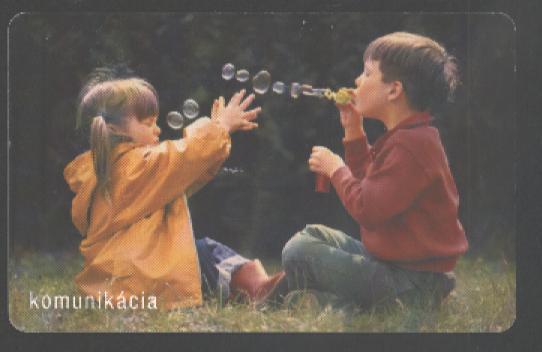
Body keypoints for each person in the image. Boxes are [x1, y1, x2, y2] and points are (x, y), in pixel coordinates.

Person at [64, 71, 284, 310]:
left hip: (117, 283)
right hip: (146, 281)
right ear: (115, 130)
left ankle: (242, 290)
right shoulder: (135, 167)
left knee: (200, 251)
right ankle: (259, 288)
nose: (157, 130)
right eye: (147, 123)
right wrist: (221, 127)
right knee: (207, 251)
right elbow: (187, 155)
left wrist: (215, 142)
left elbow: (185, 177)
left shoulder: (103, 176)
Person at [281, 32, 469, 310]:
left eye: (367, 73)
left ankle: (386, 304)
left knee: (300, 251)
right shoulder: (408, 137)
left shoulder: (412, 146)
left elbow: (367, 208)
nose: (357, 81)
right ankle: (331, 302)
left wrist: (336, 170)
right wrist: (353, 131)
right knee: (315, 235)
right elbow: (371, 182)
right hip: (394, 268)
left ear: (394, 90)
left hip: (408, 281)